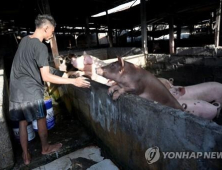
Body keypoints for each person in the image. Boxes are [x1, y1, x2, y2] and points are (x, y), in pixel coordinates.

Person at [9, 14, 90, 165]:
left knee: (22, 122)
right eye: (52, 31)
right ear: (46, 27)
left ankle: (26, 156)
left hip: (15, 89)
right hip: (31, 90)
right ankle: (45, 147)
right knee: (41, 118)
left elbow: (42, 68)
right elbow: (45, 76)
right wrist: (73, 81)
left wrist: (66, 73)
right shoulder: (40, 47)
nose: (52, 34)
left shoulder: (25, 40)